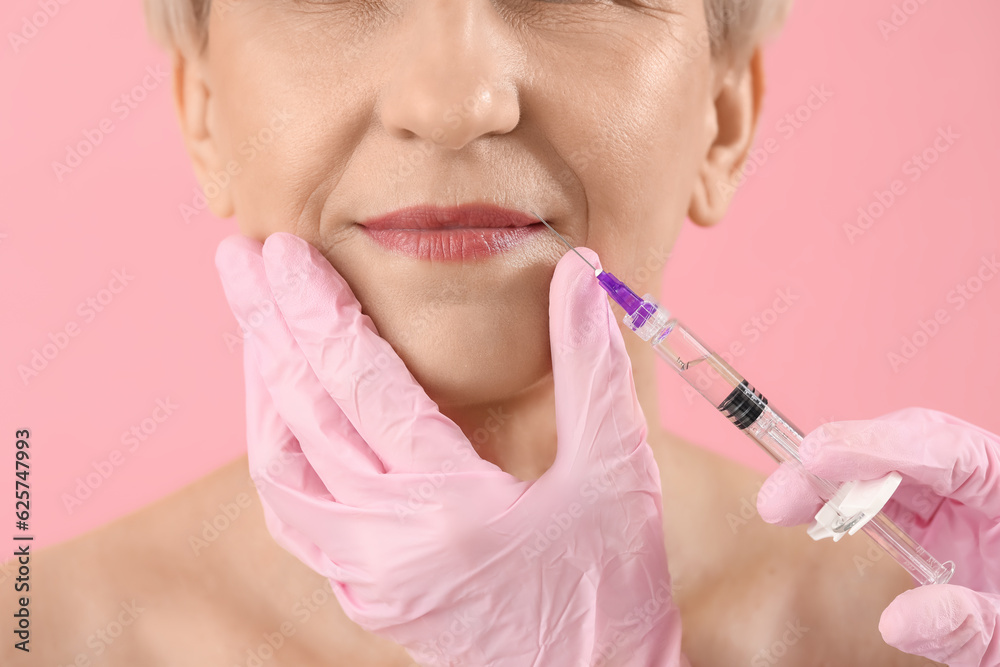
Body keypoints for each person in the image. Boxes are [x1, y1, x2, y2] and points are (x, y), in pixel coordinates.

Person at [6, 0, 995, 664]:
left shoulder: (921, 631)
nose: (451, 104)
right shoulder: (38, 635)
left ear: (722, 116)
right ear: (204, 113)